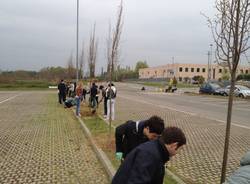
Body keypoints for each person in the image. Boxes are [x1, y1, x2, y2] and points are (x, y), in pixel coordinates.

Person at [112, 126, 187, 184]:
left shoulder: (156, 150)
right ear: (174, 145)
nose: (179, 152)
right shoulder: (150, 155)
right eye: (180, 148)